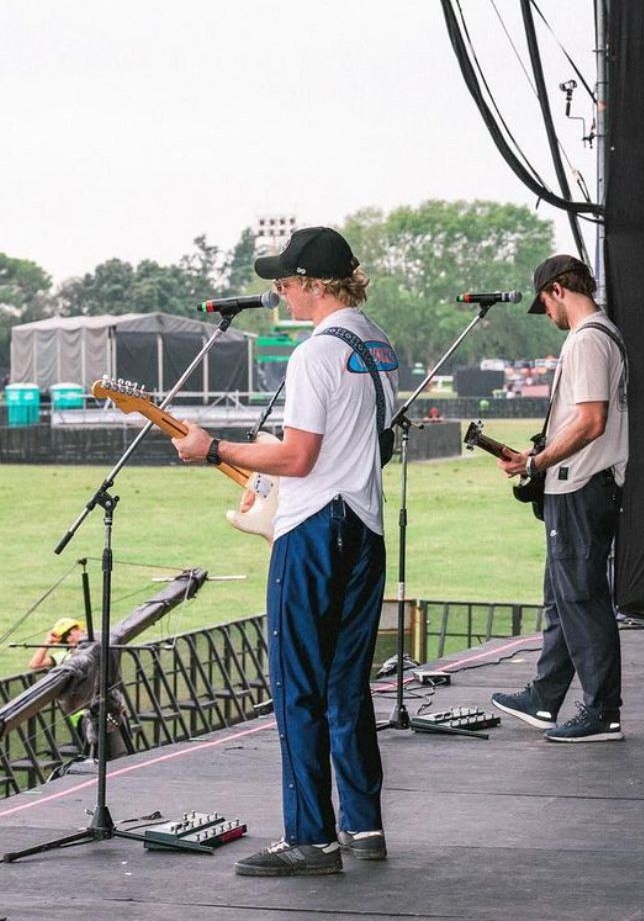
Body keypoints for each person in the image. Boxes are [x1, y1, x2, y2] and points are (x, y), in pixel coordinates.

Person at [171, 227, 398, 878]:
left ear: (316, 285)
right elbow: (365, 445)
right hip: (365, 529)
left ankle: (311, 839)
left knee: (297, 686)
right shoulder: (375, 342)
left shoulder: (313, 356)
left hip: (313, 535)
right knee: (346, 685)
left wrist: (213, 451)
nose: (279, 292)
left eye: (287, 282)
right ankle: (362, 825)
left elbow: (299, 457)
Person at [491, 254, 628, 742]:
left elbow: (591, 421)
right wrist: (539, 452)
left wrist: (536, 463)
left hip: (582, 484)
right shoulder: (600, 335)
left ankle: (602, 712)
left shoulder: (589, 339)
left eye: (544, 304)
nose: (546, 315)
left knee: (581, 597)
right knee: (563, 596)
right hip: (581, 483)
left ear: (556, 290)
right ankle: (546, 696)